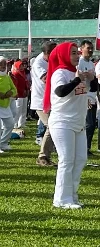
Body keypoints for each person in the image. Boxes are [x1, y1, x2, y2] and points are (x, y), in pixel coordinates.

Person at [44, 42, 89, 209]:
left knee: (80, 159)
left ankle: (72, 195)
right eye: (72, 53)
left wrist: (91, 79)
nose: (77, 55)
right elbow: (60, 92)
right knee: (66, 160)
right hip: (63, 122)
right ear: (63, 55)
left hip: (78, 122)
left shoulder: (78, 71)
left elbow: (88, 91)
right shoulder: (60, 73)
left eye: (77, 52)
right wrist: (77, 79)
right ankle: (61, 199)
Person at [31, 41, 57, 166]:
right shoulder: (39, 63)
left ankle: (47, 155)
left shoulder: (51, 61)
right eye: (53, 52)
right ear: (47, 52)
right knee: (51, 126)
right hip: (41, 101)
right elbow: (46, 79)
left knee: (54, 126)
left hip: (52, 99)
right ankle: (42, 157)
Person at [0, 56, 18, 154]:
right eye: (1, 64)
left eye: (5, 64)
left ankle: (3, 143)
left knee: (10, 124)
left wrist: (10, 93)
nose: (3, 66)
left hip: (5, 105)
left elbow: (14, 89)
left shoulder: (7, 77)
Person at [78, 40, 98, 155]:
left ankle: (86, 148)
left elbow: (93, 82)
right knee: (88, 124)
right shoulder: (79, 63)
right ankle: (83, 149)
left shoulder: (90, 63)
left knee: (90, 125)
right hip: (84, 97)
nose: (90, 50)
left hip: (92, 95)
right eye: (88, 48)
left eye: (91, 48)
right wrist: (84, 98)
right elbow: (78, 81)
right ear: (82, 48)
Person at [10, 60, 30, 129]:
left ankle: (22, 123)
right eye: (20, 66)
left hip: (24, 94)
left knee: (24, 109)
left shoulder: (23, 73)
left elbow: (25, 83)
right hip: (19, 94)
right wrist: (21, 91)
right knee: (18, 110)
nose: (22, 67)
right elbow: (16, 85)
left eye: (22, 65)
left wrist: (27, 89)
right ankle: (15, 123)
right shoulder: (15, 74)